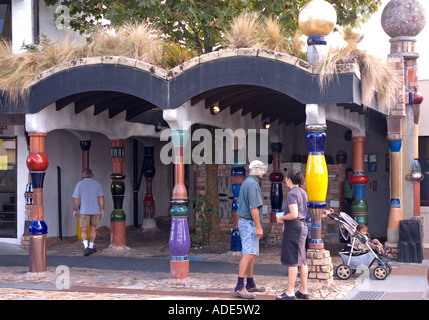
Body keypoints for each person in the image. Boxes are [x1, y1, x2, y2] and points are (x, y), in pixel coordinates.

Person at [276, 170, 332, 300]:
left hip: (294, 228)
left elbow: (294, 214)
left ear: (289, 179)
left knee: (293, 261)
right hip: (303, 227)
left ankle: (290, 292)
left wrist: (282, 218)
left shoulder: (292, 194)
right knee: (302, 260)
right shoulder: (303, 193)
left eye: (286, 177)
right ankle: (303, 290)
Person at [233, 160, 268, 299]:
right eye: (261, 168)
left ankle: (250, 283)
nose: (263, 171)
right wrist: (259, 226)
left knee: (251, 254)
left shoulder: (249, 182)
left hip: (247, 222)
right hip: (249, 223)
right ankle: (240, 286)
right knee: (248, 254)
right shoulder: (252, 184)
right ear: (254, 169)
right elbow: (254, 208)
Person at [72, 169, 105, 256]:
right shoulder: (97, 184)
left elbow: (76, 199)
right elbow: (101, 198)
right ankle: (91, 246)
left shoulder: (79, 184)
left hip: (84, 210)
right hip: (95, 210)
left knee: (83, 229)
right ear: (92, 175)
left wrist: (75, 209)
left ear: (83, 176)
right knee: (93, 228)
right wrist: (102, 209)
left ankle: (86, 247)